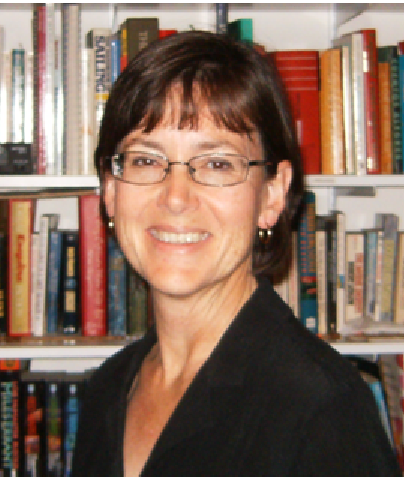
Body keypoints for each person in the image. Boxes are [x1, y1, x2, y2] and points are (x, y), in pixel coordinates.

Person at [72, 30, 401, 476]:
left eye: (217, 164)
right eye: (146, 160)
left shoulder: (320, 408)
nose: (175, 197)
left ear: (271, 196)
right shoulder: (108, 389)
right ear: (110, 191)